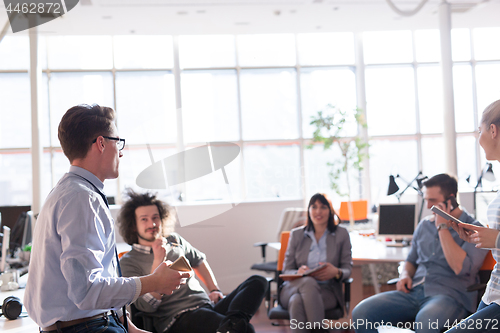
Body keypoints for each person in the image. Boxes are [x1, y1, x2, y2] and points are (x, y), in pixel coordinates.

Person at [24, 104, 190, 333]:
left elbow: (92, 281)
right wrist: (154, 282)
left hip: (94, 323)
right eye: (117, 142)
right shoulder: (81, 198)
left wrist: (125, 323)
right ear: (101, 143)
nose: (121, 152)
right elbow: (86, 291)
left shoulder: (68, 192)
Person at [352, 173, 489, 333]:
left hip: (449, 295)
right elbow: (410, 260)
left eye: (432, 201)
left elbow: (460, 268)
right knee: (361, 313)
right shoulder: (424, 226)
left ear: (450, 200)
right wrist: (405, 275)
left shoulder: (475, 229)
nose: (427, 206)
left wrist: (443, 228)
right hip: (414, 291)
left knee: (426, 321)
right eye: (426, 200)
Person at [117, 188, 268, 333]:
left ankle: (230, 326)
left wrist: (214, 289)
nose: (152, 224)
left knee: (258, 281)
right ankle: (232, 327)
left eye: (155, 217)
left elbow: (199, 260)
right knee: (246, 329)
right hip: (177, 318)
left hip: (206, 306)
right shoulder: (128, 262)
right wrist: (158, 259)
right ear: (133, 226)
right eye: (144, 220)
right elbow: (146, 307)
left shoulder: (174, 239)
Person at [445, 99, 500, 333]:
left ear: (493, 130)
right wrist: (482, 238)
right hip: (493, 291)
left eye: (480, 130)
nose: (478, 138)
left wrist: (496, 239)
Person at [280, 193, 352, 333]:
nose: (318, 211)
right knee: (308, 282)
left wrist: (336, 272)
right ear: (309, 210)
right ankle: (319, 330)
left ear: (330, 211)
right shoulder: (296, 235)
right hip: (294, 287)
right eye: (314, 207)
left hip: (327, 291)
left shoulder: (341, 234)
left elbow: (347, 268)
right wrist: (298, 273)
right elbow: (286, 270)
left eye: (323, 207)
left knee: (297, 302)